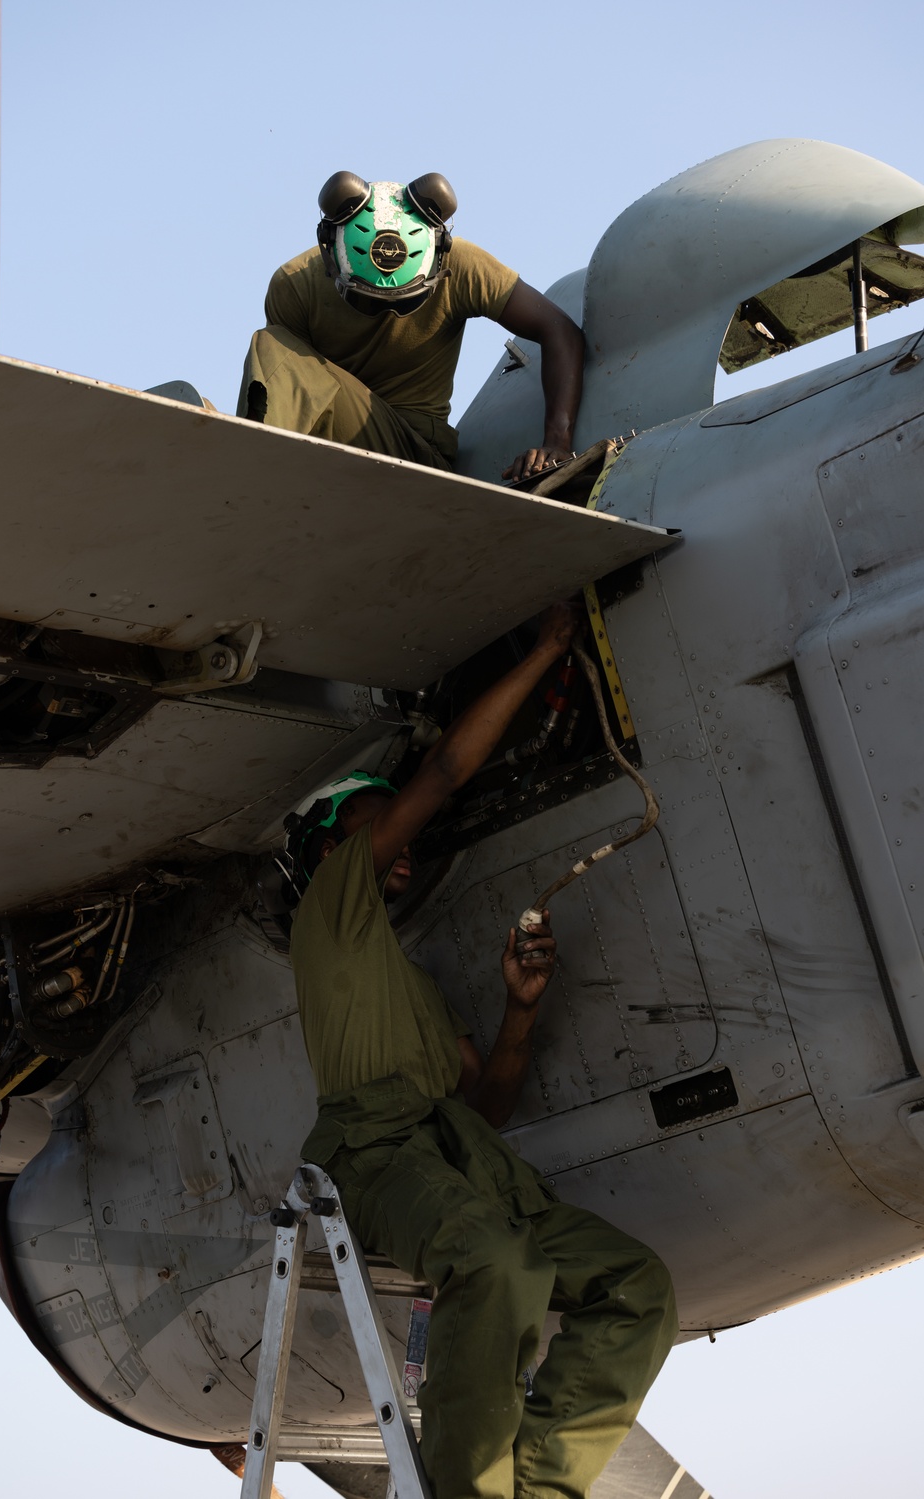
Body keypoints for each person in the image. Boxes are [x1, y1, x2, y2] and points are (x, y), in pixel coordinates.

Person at [283, 601, 677, 1499]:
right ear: (333, 850)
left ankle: (533, 1486)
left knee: (636, 1286)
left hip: (458, 1156)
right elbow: (450, 769)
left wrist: (519, 1010)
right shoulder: (329, 911)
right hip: (375, 1155)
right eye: (377, 824)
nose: (405, 846)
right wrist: (545, 648)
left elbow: (485, 1107)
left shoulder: (409, 983)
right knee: (498, 1265)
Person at [238, 173, 585, 482]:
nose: (389, 313)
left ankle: (248, 471)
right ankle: (245, 458)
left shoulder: (460, 264)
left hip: (417, 453)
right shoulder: (295, 286)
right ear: (332, 261)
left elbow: (557, 328)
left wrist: (557, 443)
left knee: (272, 350)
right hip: (330, 439)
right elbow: (286, 392)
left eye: (405, 301)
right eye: (369, 301)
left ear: (437, 257)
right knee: (273, 347)